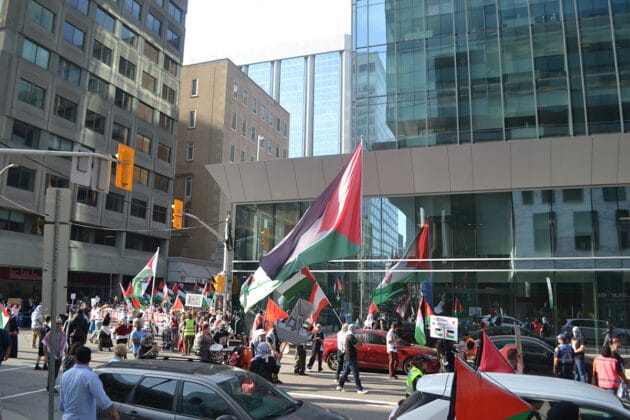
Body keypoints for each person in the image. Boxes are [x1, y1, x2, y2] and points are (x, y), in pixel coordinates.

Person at [59, 346, 120, 420]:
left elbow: (62, 403)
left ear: (75, 358)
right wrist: (114, 412)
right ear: (90, 358)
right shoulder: (90, 377)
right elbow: (102, 398)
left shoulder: (65, 375)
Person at [337, 324, 368, 394]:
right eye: (354, 329)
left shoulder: (351, 336)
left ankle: (340, 385)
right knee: (355, 373)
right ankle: (359, 389)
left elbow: (358, 346)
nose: (356, 330)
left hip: (349, 357)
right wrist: (361, 341)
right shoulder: (350, 337)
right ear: (352, 329)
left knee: (345, 373)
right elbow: (358, 346)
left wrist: (360, 341)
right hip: (351, 358)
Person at [42, 317, 68, 390]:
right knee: (51, 372)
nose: (59, 325)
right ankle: (50, 386)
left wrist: (66, 354)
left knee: (56, 372)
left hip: (59, 355)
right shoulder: (49, 334)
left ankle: (50, 386)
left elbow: (65, 344)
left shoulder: (63, 333)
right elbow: (44, 345)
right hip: (51, 355)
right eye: (57, 323)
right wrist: (46, 356)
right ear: (54, 324)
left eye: (60, 323)